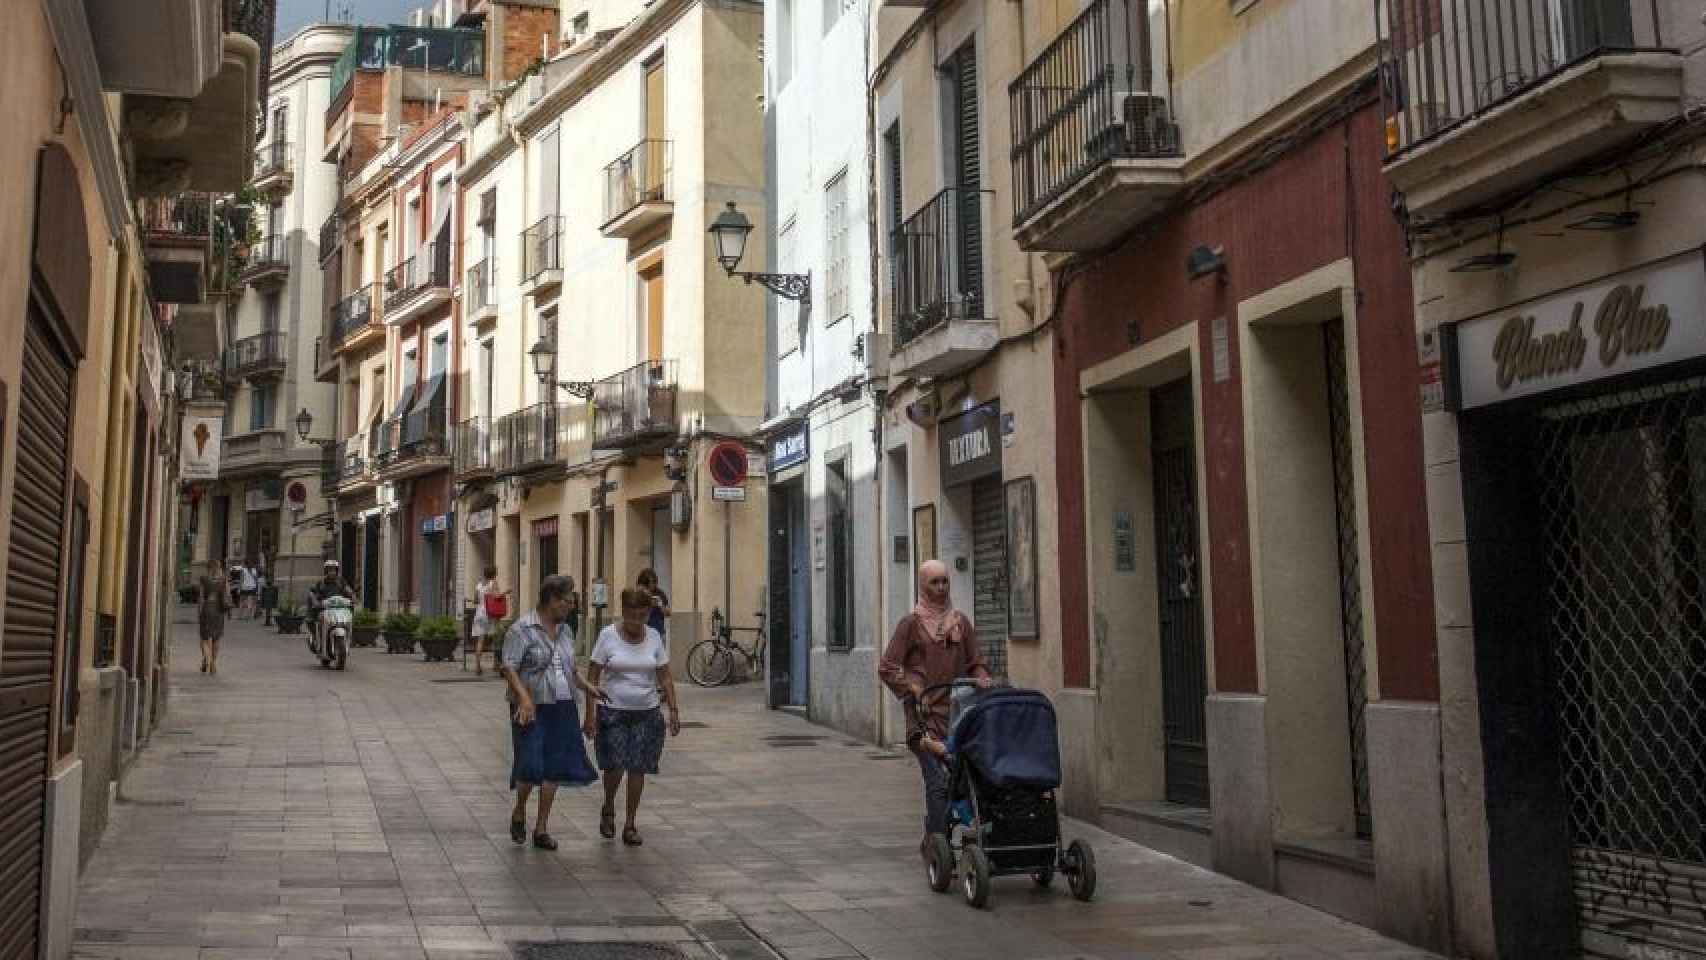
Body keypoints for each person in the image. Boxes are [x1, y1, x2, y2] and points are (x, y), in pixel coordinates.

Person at [878, 559, 992, 860]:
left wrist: (981, 676)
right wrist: (912, 689)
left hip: (959, 718)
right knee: (938, 782)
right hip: (924, 718)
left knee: (965, 780)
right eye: (934, 583)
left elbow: (975, 661)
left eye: (945, 582)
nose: (941, 588)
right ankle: (940, 847)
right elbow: (888, 667)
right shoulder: (911, 624)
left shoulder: (960, 622)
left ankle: (937, 834)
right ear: (922, 585)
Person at [500, 574, 601, 850]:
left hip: (563, 705)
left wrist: (587, 686)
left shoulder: (566, 630)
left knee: (554, 768)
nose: (571, 606)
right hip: (531, 706)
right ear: (552, 600)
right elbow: (508, 667)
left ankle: (541, 828)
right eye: (568, 601)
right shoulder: (522, 629)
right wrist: (524, 700)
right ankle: (520, 809)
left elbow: (568, 668)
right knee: (531, 764)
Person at [584, 588, 680, 846]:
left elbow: (665, 676)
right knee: (614, 765)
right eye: (631, 615)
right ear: (623, 612)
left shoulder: (654, 637)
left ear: (648, 614)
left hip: (647, 713)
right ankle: (608, 805)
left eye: (642, 615)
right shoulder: (607, 636)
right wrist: (589, 715)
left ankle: (630, 824)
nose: (636, 621)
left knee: (638, 768)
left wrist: (673, 709)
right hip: (613, 711)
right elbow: (592, 676)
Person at [471, 566, 510, 677]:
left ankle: (478, 666)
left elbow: (475, 600)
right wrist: (506, 592)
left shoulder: (478, 585)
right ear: (494, 574)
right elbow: (497, 596)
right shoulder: (493, 583)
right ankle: (496, 664)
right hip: (490, 614)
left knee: (480, 640)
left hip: (479, 614)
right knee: (496, 638)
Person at [196, 559, 232, 674]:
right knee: (216, 639)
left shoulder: (204, 579)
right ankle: (213, 663)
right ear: (219, 567)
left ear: (208, 568)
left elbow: (201, 598)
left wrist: (199, 612)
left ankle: (206, 659)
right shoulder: (224, 580)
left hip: (207, 609)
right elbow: (228, 595)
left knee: (204, 638)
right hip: (218, 611)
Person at [308, 561, 354, 646]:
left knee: (349, 615)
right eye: (329, 570)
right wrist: (315, 601)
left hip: (339, 609)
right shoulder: (321, 583)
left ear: (337, 571)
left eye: (333, 570)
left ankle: (349, 637)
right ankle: (315, 636)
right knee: (313, 618)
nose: (332, 572)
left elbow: (348, 591)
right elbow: (313, 593)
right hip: (324, 609)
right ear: (326, 571)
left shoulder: (341, 582)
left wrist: (352, 597)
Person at [636, 569, 670, 643]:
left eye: (654, 582)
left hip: (659, 632)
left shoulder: (660, 593)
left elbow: (668, 613)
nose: (652, 585)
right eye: (649, 583)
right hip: (642, 633)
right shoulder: (638, 594)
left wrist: (660, 605)